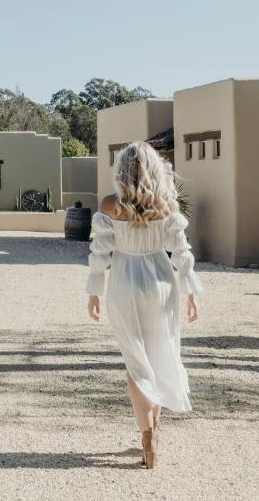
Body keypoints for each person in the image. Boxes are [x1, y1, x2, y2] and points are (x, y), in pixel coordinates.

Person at [86, 141, 203, 469]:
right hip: (160, 286)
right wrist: (190, 292)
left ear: (120, 172)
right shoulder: (167, 206)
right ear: (155, 170)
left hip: (124, 285)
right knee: (160, 355)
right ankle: (156, 431)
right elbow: (181, 253)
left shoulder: (110, 206)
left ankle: (146, 434)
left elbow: (100, 252)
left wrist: (94, 291)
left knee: (137, 364)